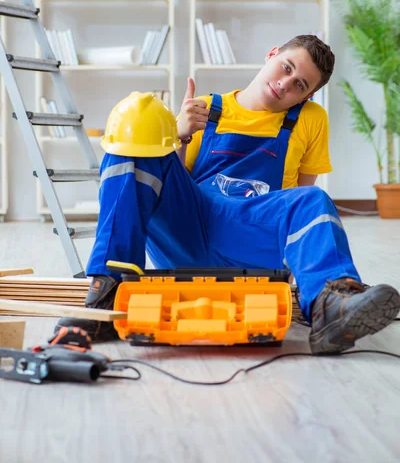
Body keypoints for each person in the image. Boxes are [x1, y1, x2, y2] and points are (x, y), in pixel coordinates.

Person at [56, 35, 400, 352]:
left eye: (300, 85)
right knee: (134, 145)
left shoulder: (310, 119)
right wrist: (179, 136)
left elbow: (297, 199)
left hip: (249, 237)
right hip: (190, 228)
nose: (285, 84)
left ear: (307, 96)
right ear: (271, 54)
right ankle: (109, 297)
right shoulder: (205, 108)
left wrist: (296, 275)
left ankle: (331, 306)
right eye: (287, 67)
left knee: (314, 200)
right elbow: (168, 185)